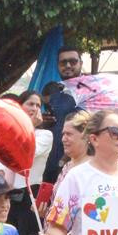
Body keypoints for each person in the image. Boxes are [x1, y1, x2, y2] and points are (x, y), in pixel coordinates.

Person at [0, 89, 53, 235]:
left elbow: (26, 153)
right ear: (19, 107)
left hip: (31, 194)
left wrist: (29, 126)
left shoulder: (45, 135)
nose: (34, 108)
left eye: (38, 105)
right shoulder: (6, 135)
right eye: (30, 104)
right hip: (8, 194)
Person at [44, 46, 83, 184]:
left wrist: (65, 160)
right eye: (63, 62)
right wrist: (44, 122)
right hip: (51, 166)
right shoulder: (56, 92)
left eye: (73, 61)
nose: (67, 65)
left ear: (81, 63)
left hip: (76, 166)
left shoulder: (89, 92)